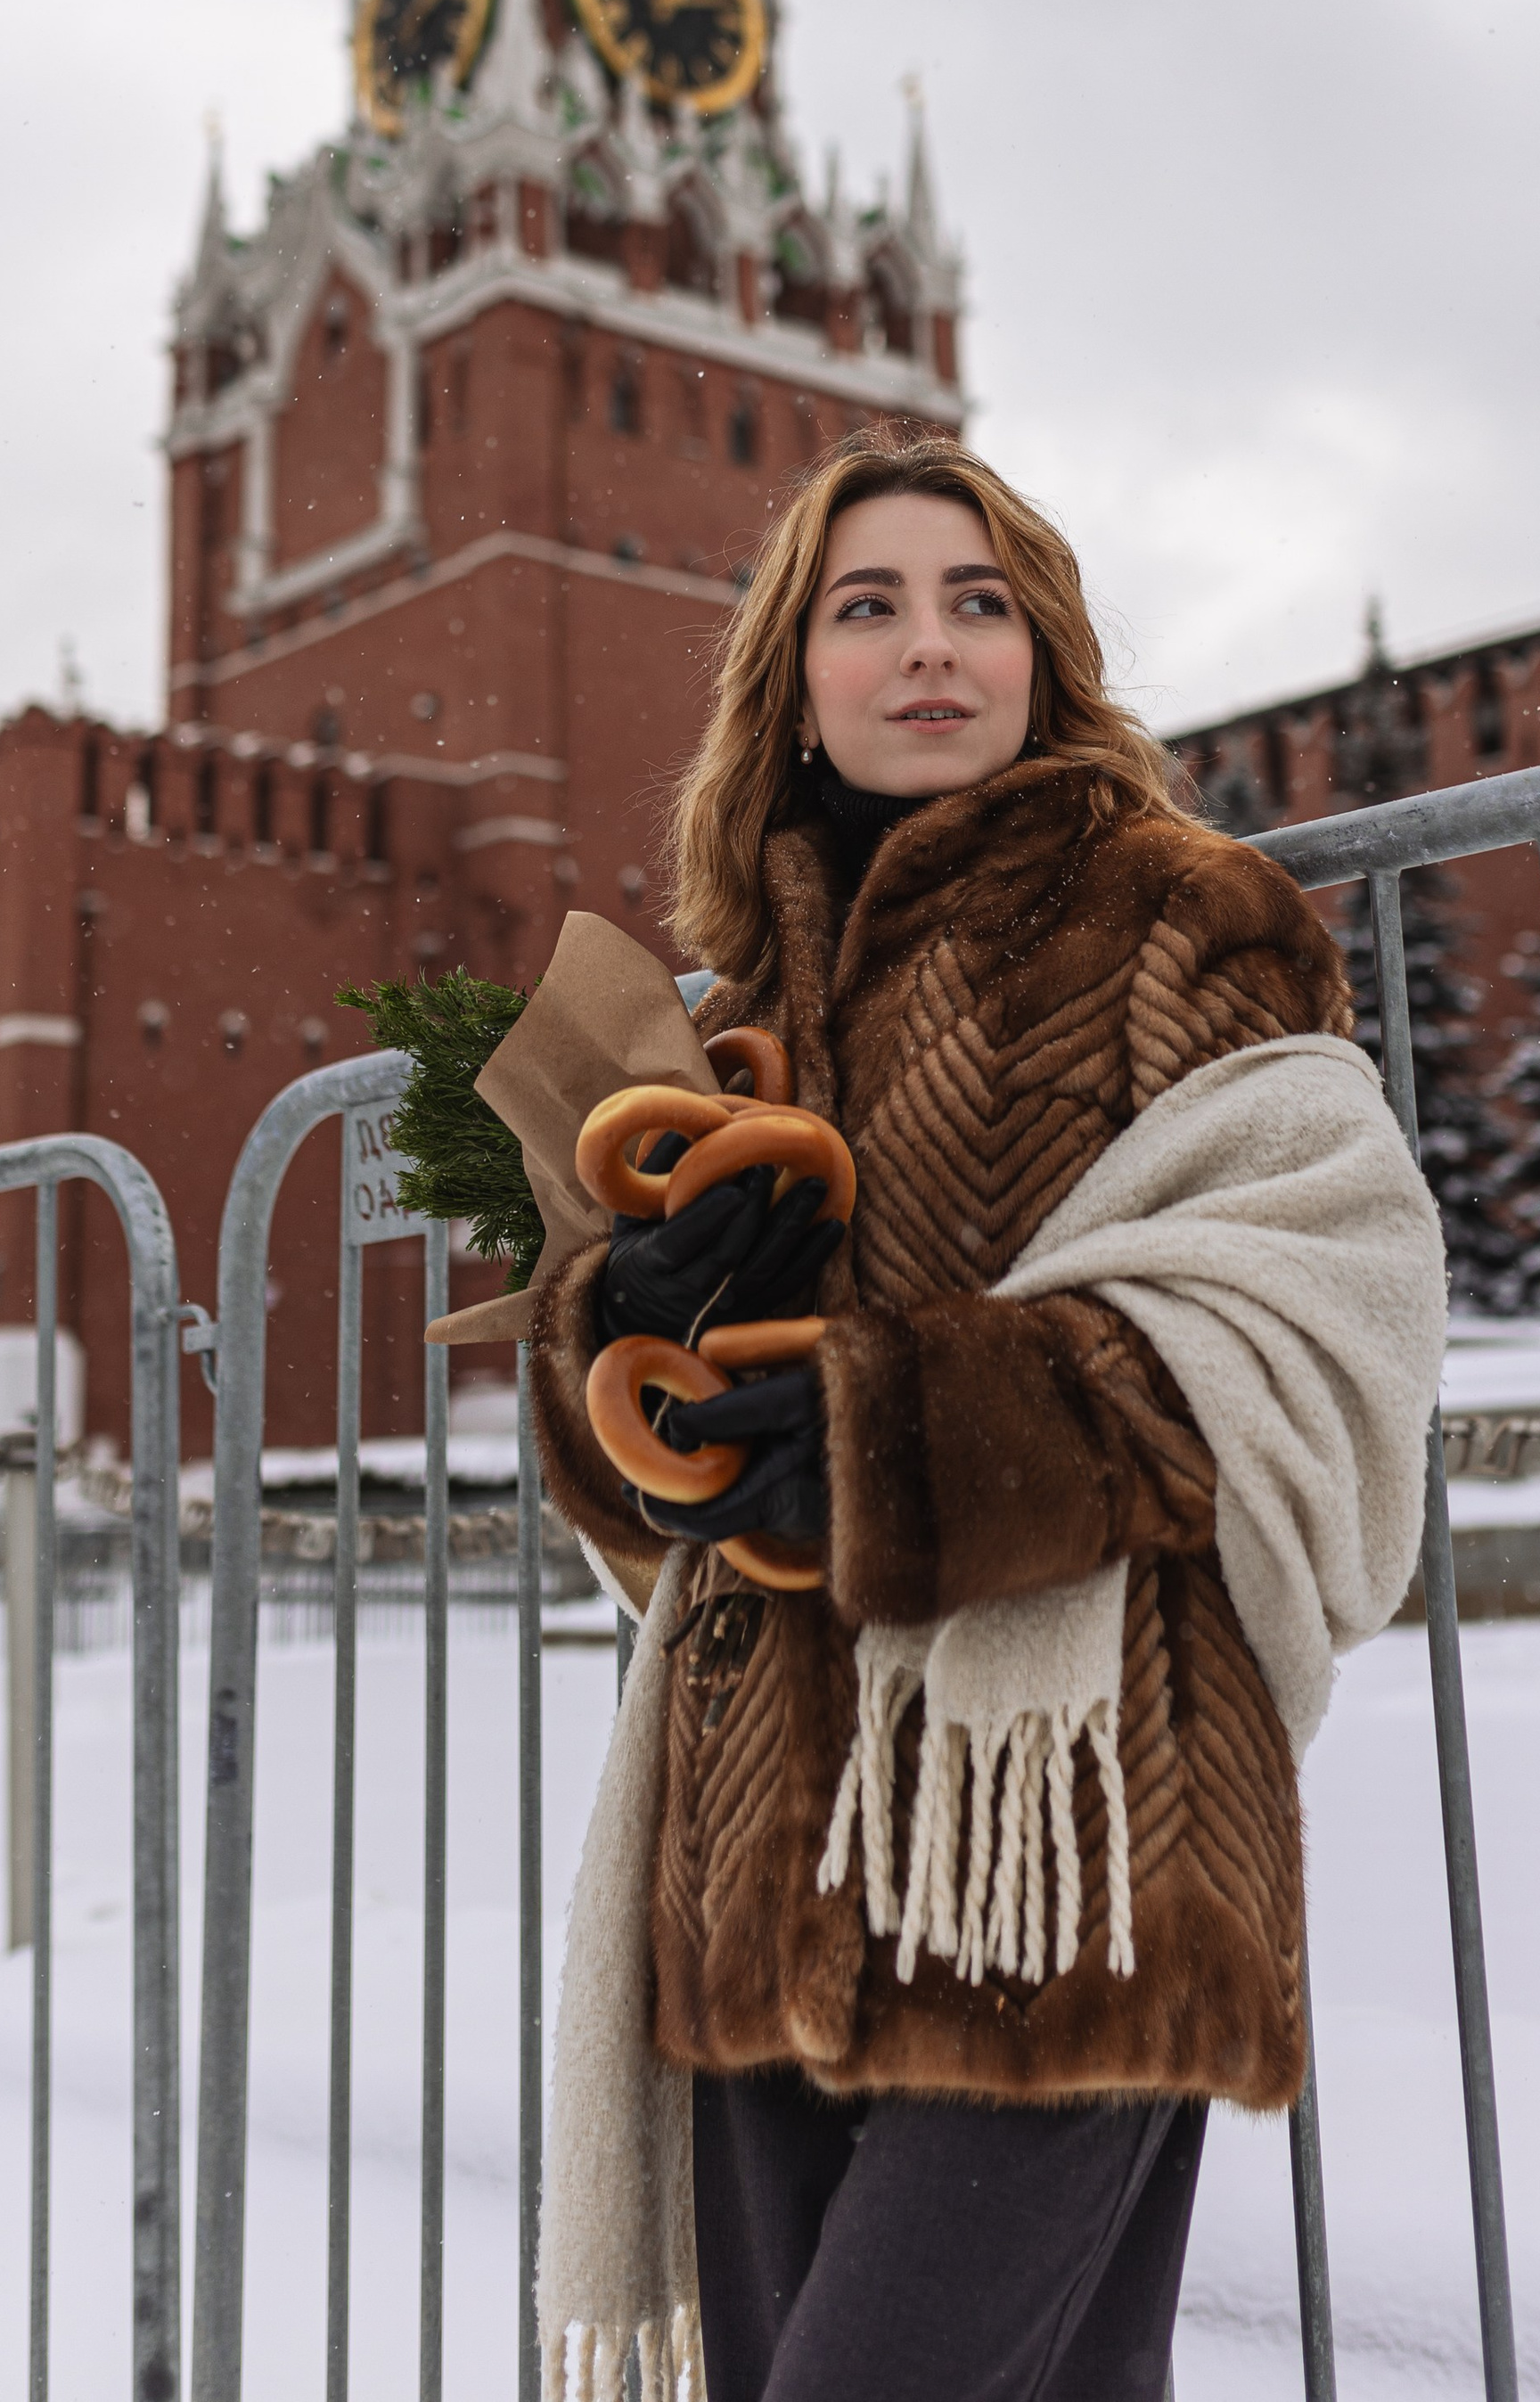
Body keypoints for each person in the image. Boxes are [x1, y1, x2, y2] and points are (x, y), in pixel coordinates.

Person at [528, 429, 1446, 2402]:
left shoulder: (1178, 918)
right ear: (791, 680)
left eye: (980, 601)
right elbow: (638, 1489)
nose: (931, 647)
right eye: (868, 608)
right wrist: (626, 1334)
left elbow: (1317, 1305)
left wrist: (899, 1434)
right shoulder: (719, 1011)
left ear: (1044, 649)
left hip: (1067, 1839)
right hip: (757, 1830)